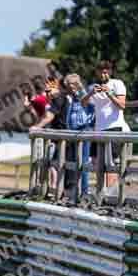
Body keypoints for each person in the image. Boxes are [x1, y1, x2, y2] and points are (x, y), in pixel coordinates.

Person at [81, 60, 129, 169]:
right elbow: (83, 104)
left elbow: (122, 105)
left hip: (114, 127)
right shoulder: (92, 87)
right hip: (98, 129)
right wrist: (90, 93)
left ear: (110, 72)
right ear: (97, 72)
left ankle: (113, 186)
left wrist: (109, 93)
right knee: (96, 163)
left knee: (112, 164)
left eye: (106, 72)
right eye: (101, 72)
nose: (103, 75)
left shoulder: (117, 83)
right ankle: (101, 186)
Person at [32, 76, 68, 194]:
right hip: (55, 135)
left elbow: (50, 116)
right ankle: (51, 188)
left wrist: (37, 127)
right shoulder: (55, 98)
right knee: (51, 163)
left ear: (55, 85)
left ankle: (54, 188)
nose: (46, 91)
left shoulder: (59, 98)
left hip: (59, 135)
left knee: (53, 163)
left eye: (48, 86)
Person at [63, 73, 95, 202]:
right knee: (75, 162)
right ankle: (75, 190)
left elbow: (92, 107)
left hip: (83, 130)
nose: (68, 87)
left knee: (83, 162)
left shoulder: (82, 94)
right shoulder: (72, 98)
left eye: (70, 85)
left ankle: (84, 191)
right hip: (74, 132)